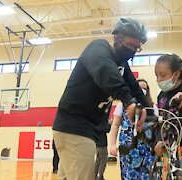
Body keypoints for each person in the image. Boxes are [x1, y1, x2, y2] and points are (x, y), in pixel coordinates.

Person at [52, 17, 151, 179]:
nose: (133, 50)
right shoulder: (98, 48)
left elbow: (135, 89)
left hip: (86, 130)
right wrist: (129, 102)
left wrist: (149, 113)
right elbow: (106, 73)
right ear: (116, 38)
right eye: (130, 45)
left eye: (137, 47)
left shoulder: (121, 65)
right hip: (74, 127)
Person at [109, 79, 157, 179]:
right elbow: (115, 125)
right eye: (140, 88)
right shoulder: (122, 105)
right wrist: (112, 144)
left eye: (145, 89)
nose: (142, 91)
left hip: (147, 149)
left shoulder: (152, 107)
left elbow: (156, 126)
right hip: (128, 148)